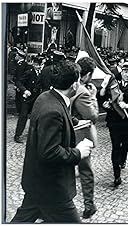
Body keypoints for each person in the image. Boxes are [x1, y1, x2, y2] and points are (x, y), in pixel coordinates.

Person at [11, 60, 92, 223]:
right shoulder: (53, 110)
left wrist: (74, 122)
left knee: (22, 220)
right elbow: (49, 152)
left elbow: (58, 115)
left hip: (38, 182)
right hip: (51, 188)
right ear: (74, 85)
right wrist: (78, 152)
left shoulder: (46, 97)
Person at [101, 62, 128, 187]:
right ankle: (117, 175)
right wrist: (105, 104)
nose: (127, 75)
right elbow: (105, 97)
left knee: (125, 145)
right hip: (115, 120)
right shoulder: (115, 85)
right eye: (125, 72)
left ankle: (123, 157)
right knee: (115, 146)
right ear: (122, 72)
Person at [70, 57, 98, 219]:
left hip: (68, 132)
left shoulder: (70, 84)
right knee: (85, 170)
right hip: (80, 134)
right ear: (86, 75)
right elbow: (92, 116)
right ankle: (89, 204)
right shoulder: (83, 92)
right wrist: (93, 96)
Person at [13, 55, 42, 143]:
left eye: (39, 65)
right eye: (36, 65)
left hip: (36, 98)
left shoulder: (40, 73)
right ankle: (17, 135)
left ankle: (33, 135)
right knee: (23, 116)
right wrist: (24, 90)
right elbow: (19, 81)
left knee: (35, 117)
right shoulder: (29, 72)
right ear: (33, 64)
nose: (38, 66)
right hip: (27, 98)